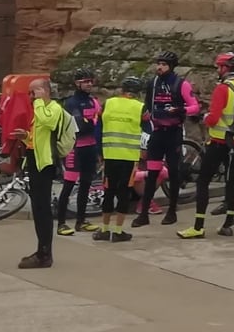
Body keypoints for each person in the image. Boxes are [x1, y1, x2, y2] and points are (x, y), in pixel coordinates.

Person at [185, 54, 234, 237]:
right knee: (232, 182)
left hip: (219, 141)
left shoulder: (223, 89)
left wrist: (205, 117)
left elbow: (214, 118)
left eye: (218, 67)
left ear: (225, 68)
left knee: (203, 181)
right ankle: (227, 225)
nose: (217, 70)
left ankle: (198, 226)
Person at [137, 53, 198, 228]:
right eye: (158, 64)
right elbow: (147, 105)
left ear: (171, 66)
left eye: (163, 64)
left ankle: (172, 211)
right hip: (157, 133)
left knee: (173, 172)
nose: (159, 67)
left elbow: (195, 107)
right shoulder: (153, 83)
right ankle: (144, 214)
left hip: (173, 132)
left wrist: (179, 110)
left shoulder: (181, 84)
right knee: (152, 173)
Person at [19, 80, 73, 268]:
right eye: (30, 93)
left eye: (34, 92)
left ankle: (44, 254)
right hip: (35, 160)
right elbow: (39, 138)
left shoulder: (53, 108)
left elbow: (48, 122)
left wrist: (39, 101)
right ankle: (41, 250)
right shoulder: (40, 109)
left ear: (46, 91)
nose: (31, 96)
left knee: (43, 209)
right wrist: (25, 137)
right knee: (38, 208)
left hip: (46, 163)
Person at [95, 81, 145, 243]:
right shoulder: (141, 107)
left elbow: (98, 128)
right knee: (124, 193)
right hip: (129, 157)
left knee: (109, 191)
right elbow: (149, 130)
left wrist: (100, 152)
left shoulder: (108, 104)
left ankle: (104, 229)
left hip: (110, 155)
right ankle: (118, 231)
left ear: (122, 90)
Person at [56, 77, 103, 236]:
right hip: (74, 149)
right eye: (85, 81)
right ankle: (61, 224)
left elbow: (98, 123)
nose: (89, 84)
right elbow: (79, 126)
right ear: (77, 83)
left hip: (90, 148)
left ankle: (81, 221)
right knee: (68, 186)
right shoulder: (71, 103)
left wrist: (91, 122)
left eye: (91, 81)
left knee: (86, 185)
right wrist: (92, 122)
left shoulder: (93, 101)